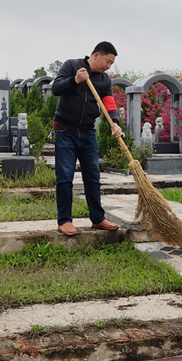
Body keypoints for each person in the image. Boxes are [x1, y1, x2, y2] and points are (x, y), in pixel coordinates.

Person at [52, 41, 125, 236]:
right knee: (65, 176)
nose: (108, 66)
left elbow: (109, 102)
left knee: (93, 176)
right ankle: (65, 221)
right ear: (96, 55)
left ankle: (98, 218)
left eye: (111, 63)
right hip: (65, 130)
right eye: (107, 61)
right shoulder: (72, 66)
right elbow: (56, 88)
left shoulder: (104, 80)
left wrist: (115, 123)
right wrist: (75, 80)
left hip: (87, 132)